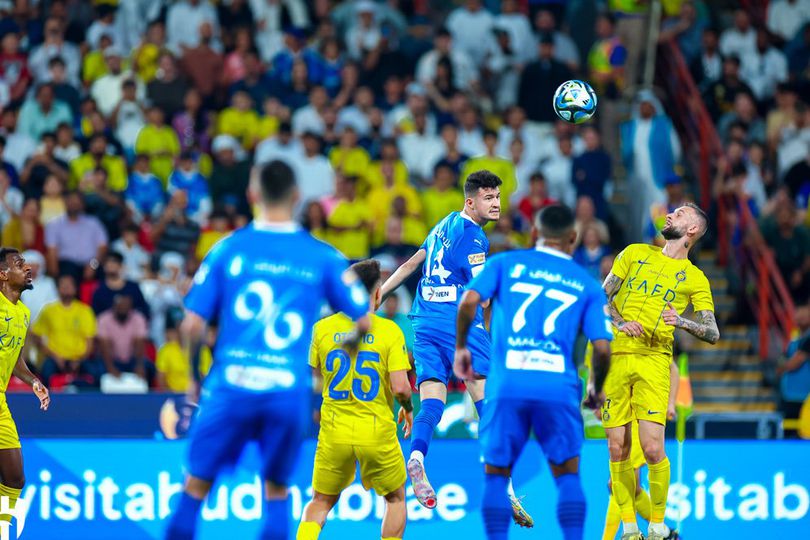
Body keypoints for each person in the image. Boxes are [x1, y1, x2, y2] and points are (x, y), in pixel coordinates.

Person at [164, 160, 371, 540]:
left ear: (252, 195)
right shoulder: (323, 255)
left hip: (231, 386)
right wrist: (337, 356)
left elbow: (191, 324)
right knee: (276, 491)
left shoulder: (228, 248)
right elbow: (363, 320)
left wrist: (195, 378)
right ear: (296, 197)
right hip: (286, 389)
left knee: (195, 488)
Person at [379, 170, 532, 526]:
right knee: (487, 403)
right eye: (489, 198)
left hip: (422, 318)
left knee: (432, 401)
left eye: (498, 197)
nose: (496, 204)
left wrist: (381, 292)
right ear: (471, 201)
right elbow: (483, 291)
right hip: (456, 322)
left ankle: (417, 455)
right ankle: (504, 486)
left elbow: (411, 264)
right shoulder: (476, 238)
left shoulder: (443, 223)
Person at [454, 204, 612, 540]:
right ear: (573, 238)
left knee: (497, 474)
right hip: (557, 384)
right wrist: (597, 388)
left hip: (507, 381)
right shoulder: (586, 283)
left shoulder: (504, 263)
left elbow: (468, 300)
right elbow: (601, 347)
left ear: (534, 234)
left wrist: (462, 349)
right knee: (568, 475)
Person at [601, 203, 719, 540]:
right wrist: (622, 322)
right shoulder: (634, 253)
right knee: (616, 448)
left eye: (680, 214)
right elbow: (601, 296)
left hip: (655, 359)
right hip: (617, 356)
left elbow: (713, 333)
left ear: (693, 230)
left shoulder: (696, 278)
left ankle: (657, 526)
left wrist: (681, 321)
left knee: (653, 449)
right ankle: (629, 530)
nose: (670, 215)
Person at [298, 259, 413, 540]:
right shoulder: (389, 330)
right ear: (377, 294)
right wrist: (408, 409)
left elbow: (309, 378)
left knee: (320, 501)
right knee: (395, 498)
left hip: (334, 431)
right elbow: (400, 387)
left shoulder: (321, 329)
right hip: (376, 431)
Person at [600, 361, 681, 540]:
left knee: (617, 484)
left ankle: (609, 537)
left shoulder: (645, 340)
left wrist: (670, 403)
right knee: (633, 487)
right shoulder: (613, 337)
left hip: (639, 416)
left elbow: (672, 368)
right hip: (620, 409)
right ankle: (667, 534)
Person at [0, 248, 50, 535]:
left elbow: (15, 358)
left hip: (1, 403)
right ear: (3, 274)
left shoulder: (23, 313)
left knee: (15, 477)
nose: (27, 267)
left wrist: (33, 381)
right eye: (19, 264)